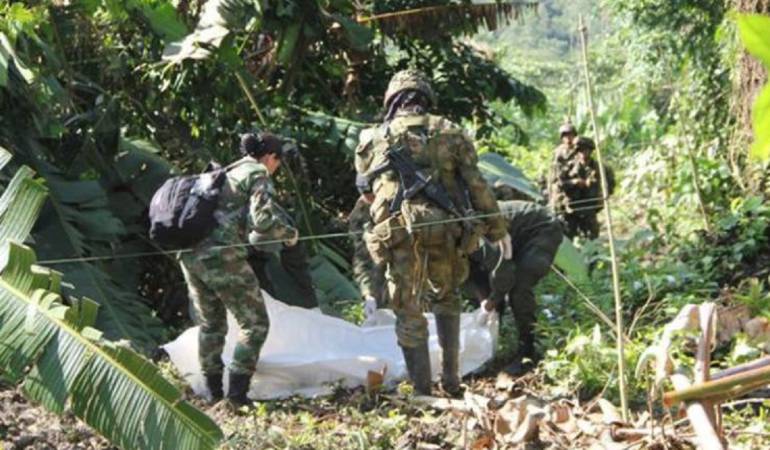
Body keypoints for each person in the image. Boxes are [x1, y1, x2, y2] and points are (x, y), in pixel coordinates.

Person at [354, 69, 510, 396]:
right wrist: (496, 229)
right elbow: (476, 185)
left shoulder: (371, 137)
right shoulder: (450, 132)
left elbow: (367, 193)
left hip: (397, 234)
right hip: (445, 231)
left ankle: (423, 390)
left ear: (392, 100)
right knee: (447, 299)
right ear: (425, 98)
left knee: (408, 309)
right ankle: (451, 382)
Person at [179, 132, 299, 406]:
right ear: (270, 157)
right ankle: (236, 397)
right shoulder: (257, 172)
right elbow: (264, 221)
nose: (275, 168)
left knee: (211, 324)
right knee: (255, 323)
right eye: (277, 162)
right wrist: (289, 234)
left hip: (189, 254)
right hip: (221, 256)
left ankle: (213, 394)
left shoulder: (226, 171)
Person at [465, 200, 563, 376]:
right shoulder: (451, 248)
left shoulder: (475, 235)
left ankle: (527, 350)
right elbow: (475, 278)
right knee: (492, 298)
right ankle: (490, 350)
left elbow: (504, 272)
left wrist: (493, 300)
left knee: (519, 288)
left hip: (540, 228)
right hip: (514, 238)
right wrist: (485, 302)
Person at [547, 123, 614, 240]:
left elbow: (609, 182)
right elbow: (558, 182)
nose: (583, 154)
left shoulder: (599, 168)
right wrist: (575, 182)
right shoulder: (566, 164)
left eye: (586, 150)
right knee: (567, 235)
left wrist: (602, 195)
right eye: (581, 151)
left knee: (592, 237)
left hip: (589, 207)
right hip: (571, 207)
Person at [349, 174, 388, 317]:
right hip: (380, 279)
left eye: (373, 195)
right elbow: (361, 257)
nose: (371, 200)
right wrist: (368, 294)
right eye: (367, 196)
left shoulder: (395, 200)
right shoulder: (359, 215)